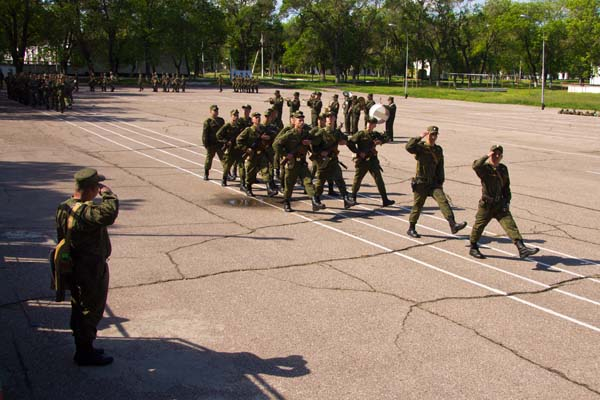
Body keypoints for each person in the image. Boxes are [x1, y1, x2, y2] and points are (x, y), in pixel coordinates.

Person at [55, 168, 119, 366]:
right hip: (90, 268)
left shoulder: (64, 207)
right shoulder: (85, 212)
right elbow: (108, 214)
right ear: (91, 189)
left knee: (79, 306)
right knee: (90, 310)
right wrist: (108, 194)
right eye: (96, 187)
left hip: (74, 265)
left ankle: (84, 346)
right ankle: (84, 352)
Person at [469, 145, 540, 259]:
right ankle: (473, 247)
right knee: (479, 226)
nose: (496, 156)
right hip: (487, 205)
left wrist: (507, 201)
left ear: (501, 156)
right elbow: (476, 165)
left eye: (499, 154)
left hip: (500, 204)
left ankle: (522, 248)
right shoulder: (485, 168)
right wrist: (487, 155)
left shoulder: (503, 169)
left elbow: (506, 186)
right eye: (494, 154)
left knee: (510, 225)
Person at [405, 126, 466, 238]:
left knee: (443, 201)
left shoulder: (438, 150)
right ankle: (411, 228)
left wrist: (440, 181)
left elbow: (440, 166)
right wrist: (419, 136)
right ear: (427, 134)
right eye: (431, 134)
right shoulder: (420, 147)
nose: (433, 137)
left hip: (433, 183)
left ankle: (453, 224)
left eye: (435, 135)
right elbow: (409, 147)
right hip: (421, 182)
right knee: (418, 205)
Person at [273, 111, 322, 212]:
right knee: (289, 184)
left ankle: (314, 202)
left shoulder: (306, 133)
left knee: (308, 181)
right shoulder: (289, 134)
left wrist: (310, 142)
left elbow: (318, 140)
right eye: (299, 120)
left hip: (302, 163)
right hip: (292, 163)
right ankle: (287, 202)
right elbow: (275, 144)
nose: (302, 122)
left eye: (303, 120)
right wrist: (285, 154)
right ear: (294, 122)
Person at [312, 111, 356, 209]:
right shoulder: (321, 133)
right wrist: (320, 152)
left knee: (339, 179)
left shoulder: (337, 132)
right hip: (323, 161)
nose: (330, 119)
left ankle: (346, 199)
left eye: (332, 117)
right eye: (328, 117)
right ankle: (316, 200)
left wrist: (345, 142)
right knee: (320, 182)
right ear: (325, 120)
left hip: (333, 160)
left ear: (335, 119)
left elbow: (346, 139)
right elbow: (313, 146)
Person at [347, 117, 395, 207]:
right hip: (363, 161)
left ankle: (385, 199)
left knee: (379, 180)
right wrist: (358, 152)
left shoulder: (375, 134)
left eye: (372, 124)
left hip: (373, 160)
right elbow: (350, 143)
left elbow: (387, 138)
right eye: (368, 123)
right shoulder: (361, 134)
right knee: (357, 180)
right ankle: (353, 198)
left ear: (375, 125)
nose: (369, 125)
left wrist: (381, 141)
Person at [236, 112, 277, 197]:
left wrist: (268, 137)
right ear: (252, 120)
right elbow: (239, 140)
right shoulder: (249, 130)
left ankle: (269, 189)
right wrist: (246, 149)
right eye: (256, 117)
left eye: (259, 117)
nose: (258, 119)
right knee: (250, 172)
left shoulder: (263, 129)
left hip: (261, 153)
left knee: (265, 171)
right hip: (252, 154)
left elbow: (273, 134)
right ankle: (248, 188)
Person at [217, 109, 245, 187]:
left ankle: (243, 183)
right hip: (230, 149)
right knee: (227, 166)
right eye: (234, 115)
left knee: (241, 166)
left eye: (237, 115)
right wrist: (226, 141)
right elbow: (218, 135)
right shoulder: (227, 126)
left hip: (238, 149)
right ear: (231, 116)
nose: (236, 117)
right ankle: (224, 179)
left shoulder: (240, 126)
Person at [202, 104, 225, 180]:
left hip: (219, 144)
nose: (216, 112)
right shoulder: (208, 121)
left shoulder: (221, 120)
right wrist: (206, 144)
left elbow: (224, 131)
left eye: (217, 110)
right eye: (214, 110)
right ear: (210, 111)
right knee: (209, 160)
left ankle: (227, 173)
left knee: (224, 159)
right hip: (211, 144)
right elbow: (205, 134)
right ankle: (206, 173)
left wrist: (224, 142)